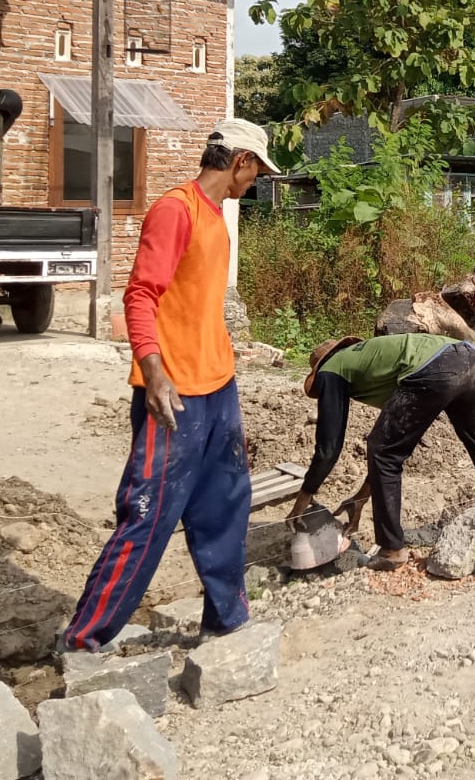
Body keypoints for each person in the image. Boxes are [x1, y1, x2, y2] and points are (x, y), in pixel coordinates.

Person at [61, 120, 278, 652]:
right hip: (175, 392)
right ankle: (84, 640)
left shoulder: (216, 217)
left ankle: (227, 619)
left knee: (225, 505)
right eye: (256, 170)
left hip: (218, 385)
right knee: (149, 513)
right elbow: (140, 295)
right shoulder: (175, 210)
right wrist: (153, 371)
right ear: (240, 160)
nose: (256, 181)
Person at [288, 332, 475, 570]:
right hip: (473, 360)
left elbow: (329, 448)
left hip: (438, 367)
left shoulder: (331, 370)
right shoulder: (372, 363)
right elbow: (395, 443)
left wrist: (303, 499)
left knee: (381, 450)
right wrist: (361, 498)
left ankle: (391, 550)